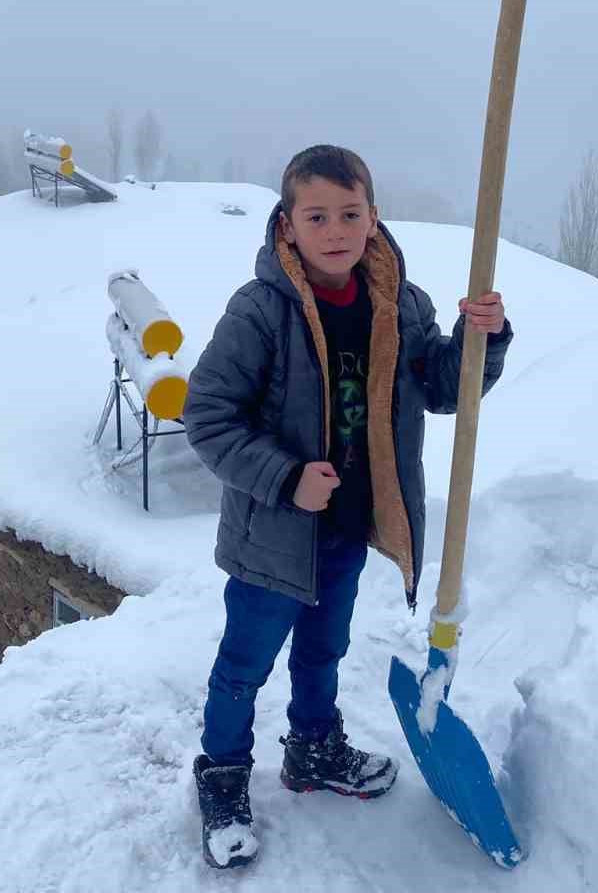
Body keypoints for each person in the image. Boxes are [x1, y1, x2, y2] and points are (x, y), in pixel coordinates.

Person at [182, 144, 513, 869]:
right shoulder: (262, 311)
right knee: (244, 665)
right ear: (289, 224)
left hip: (345, 527)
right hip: (273, 532)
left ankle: (312, 748)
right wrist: (284, 476)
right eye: (317, 215)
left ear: (373, 217)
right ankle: (225, 776)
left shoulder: (399, 303)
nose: (335, 229)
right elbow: (205, 415)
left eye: (351, 213)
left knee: (323, 650)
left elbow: (442, 389)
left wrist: (479, 341)